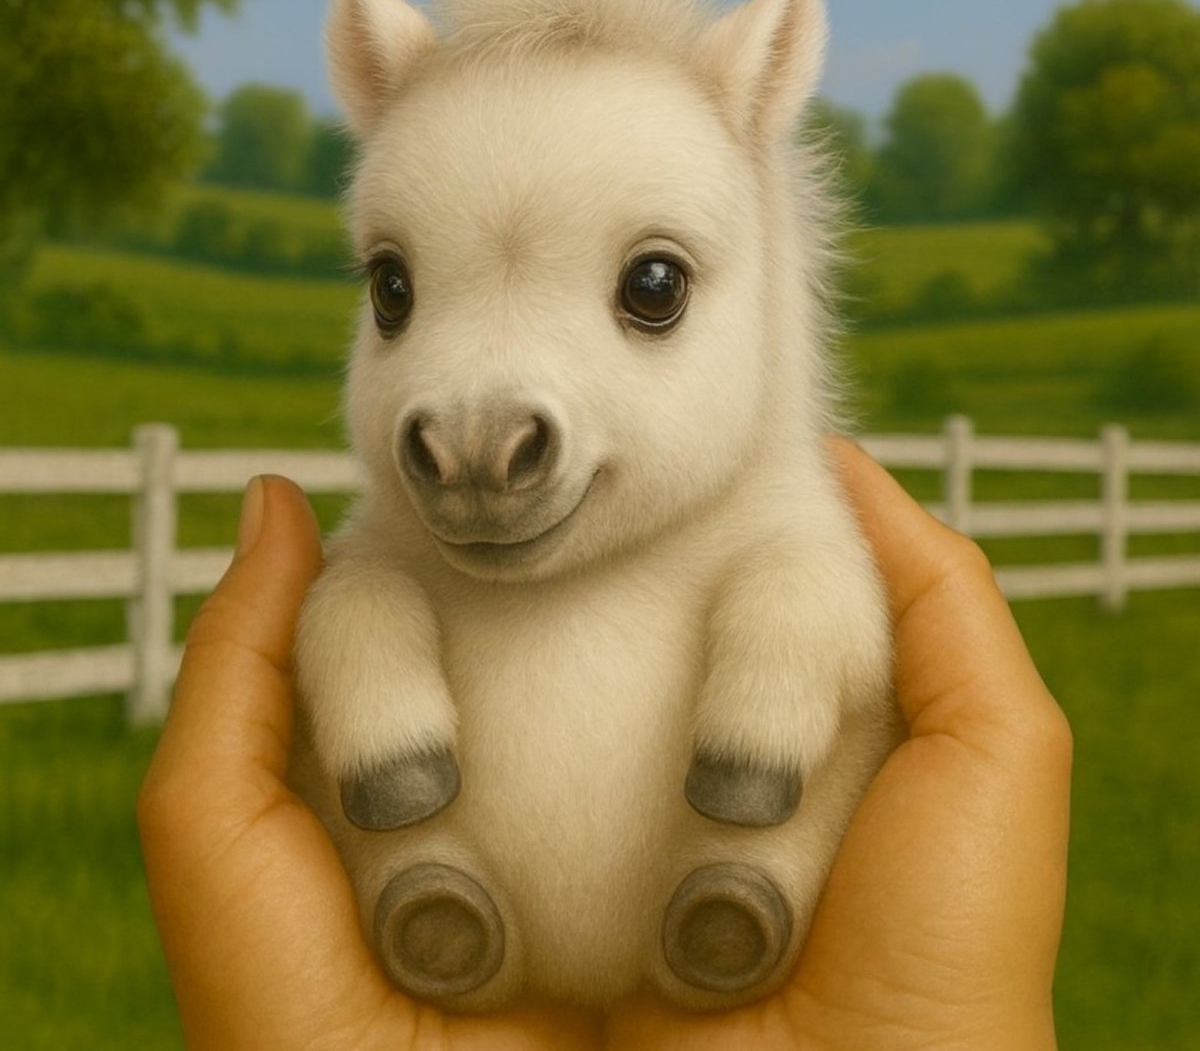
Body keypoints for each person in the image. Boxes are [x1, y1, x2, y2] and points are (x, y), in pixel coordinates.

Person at [138, 441, 1071, 1050]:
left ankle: (748, 882)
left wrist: (774, 686)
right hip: (470, 887)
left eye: (652, 291)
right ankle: (423, 883)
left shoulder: (775, 510)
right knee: (356, 612)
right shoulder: (397, 541)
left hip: (717, 868)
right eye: (393, 293)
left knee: (805, 634)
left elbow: (835, 630)